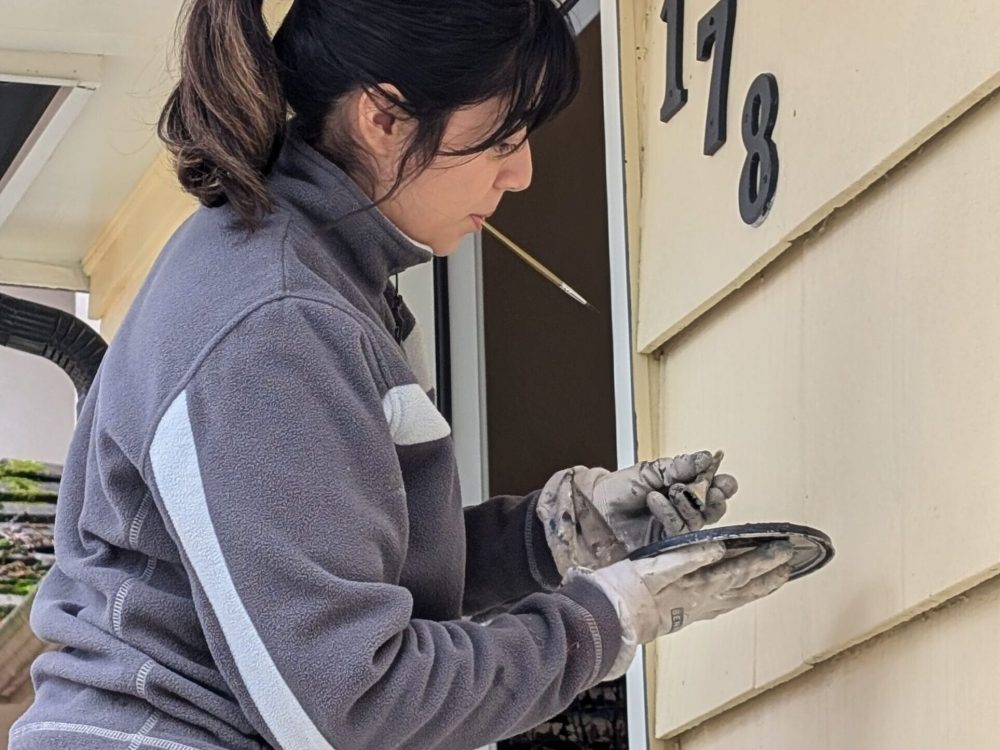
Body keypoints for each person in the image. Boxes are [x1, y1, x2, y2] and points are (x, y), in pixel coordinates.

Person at [9, 1, 793, 748]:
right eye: (501, 136)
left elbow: (340, 573)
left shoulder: (319, 282)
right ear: (382, 117)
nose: (520, 173)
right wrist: (605, 619)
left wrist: (548, 538)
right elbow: (351, 707)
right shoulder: (275, 321)